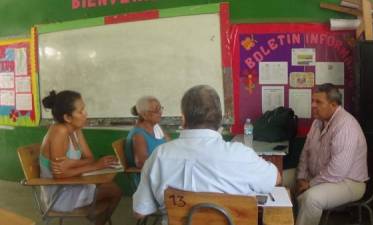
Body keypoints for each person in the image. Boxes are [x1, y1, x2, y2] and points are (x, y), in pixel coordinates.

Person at [132, 85, 281, 223]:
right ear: (220, 119)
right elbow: (276, 179)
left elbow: (140, 212)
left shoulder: (159, 156)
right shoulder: (241, 154)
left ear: (183, 119)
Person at [40, 90, 122, 225]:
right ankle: (96, 221)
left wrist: (70, 163)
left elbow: (90, 157)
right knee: (114, 190)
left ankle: (96, 219)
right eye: (81, 111)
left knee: (112, 188)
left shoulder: (76, 130)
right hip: (59, 194)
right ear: (67, 117)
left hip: (72, 185)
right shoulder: (59, 131)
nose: (86, 114)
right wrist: (96, 166)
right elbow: (60, 175)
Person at [295, 83, 368, 225]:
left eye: (318, 102)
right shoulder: (317, 122)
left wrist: (310, 184)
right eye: (312, 101)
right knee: (279, 178)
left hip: (348, 182)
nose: (313, 105)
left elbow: (337, 171)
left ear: (333, 105)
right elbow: (305, 153)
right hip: (317, 177)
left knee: (311, 198)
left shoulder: (345, 126)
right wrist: (301, 177)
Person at [125, 96, 169, 169]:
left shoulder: (156, 128)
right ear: (144, 114)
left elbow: (170, 146)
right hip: (148, 176)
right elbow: (141, 163)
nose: (160, 113)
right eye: (156, 110)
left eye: (160, 109)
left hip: (161, 170)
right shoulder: (138, 135)